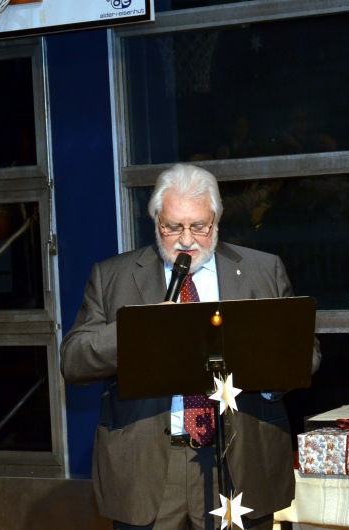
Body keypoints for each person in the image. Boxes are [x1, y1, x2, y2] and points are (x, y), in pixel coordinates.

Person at [61, 163, 321, 530]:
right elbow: (73, 361)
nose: (187, 240)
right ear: (156, 222)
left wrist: (263, 370)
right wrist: (138, 330)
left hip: (239, 462)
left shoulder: (263, 270)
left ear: (216, 221)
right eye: (173, 227)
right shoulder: (113, 275)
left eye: (199, 226)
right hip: (148, 471)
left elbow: (307, 353)